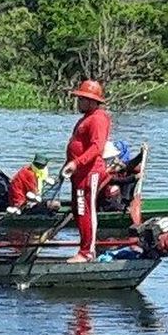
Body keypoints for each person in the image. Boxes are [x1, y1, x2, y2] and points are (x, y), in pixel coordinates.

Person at [59, 79, 111, 263]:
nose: (78, 102)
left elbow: (97, 147)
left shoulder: (98, 118)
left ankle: (87, 252)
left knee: (86, 210)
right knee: (79, 210)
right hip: (79, 174)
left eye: (82, 99)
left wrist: (77, 163)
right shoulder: (86, 118)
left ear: (91, 101)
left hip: (90, 173)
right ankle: (85, 249)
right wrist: (68, 164)